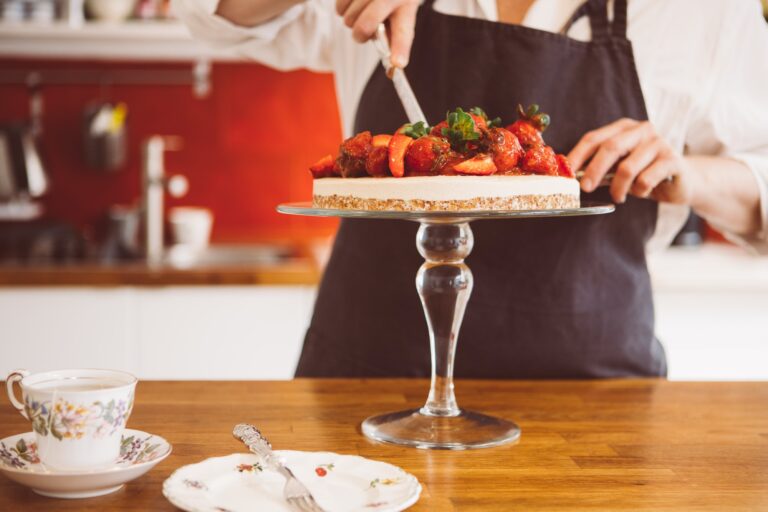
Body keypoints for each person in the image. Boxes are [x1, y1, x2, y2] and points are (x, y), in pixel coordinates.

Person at [174, 0, 768, 378]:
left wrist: (692, 175)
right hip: (367, 387)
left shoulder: (705, 11)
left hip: (593, 400)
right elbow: (208, 16)